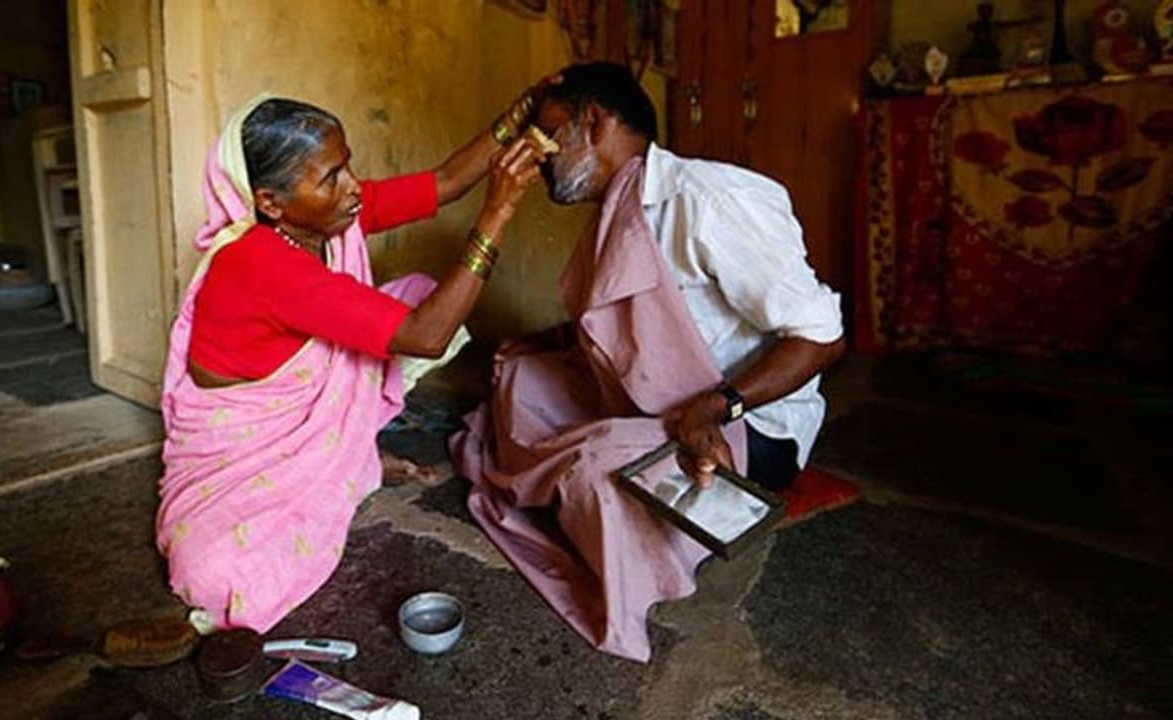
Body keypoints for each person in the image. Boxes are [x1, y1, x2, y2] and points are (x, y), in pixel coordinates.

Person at [450, 62, 845, 662]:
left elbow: (823, 337)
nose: (541, 154)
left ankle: (606, 504)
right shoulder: (616, 213)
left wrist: (718, 406)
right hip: (652, 403)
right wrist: (554, 342)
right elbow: (625, 325)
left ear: (595, 122)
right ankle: (588, 477)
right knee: (521, 375)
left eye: (551, 134)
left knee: (595, 473)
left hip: (745, 425)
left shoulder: (709, 200)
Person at [155, 89, 546, 633]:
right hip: (243, 447)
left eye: (348, 166)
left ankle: (342, 452)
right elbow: (427, 336)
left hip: (292, 414)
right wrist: (500, 210)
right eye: (331, 177)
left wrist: (522, 111)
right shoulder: (261, 264)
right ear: (270, 203)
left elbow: (445, 182)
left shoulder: (322, 221)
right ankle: (336, 458)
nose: (353, 187)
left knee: (414, 295)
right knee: (215, 577)